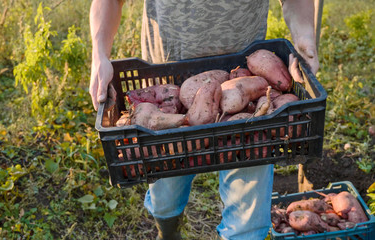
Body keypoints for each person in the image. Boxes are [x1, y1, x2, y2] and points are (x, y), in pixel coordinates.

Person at [89, 1, 319, 239]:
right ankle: (168, 233)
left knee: (247, 223)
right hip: (166, 83)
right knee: (165, 198)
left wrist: (304, 35)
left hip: (246, 78)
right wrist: (99, 55)